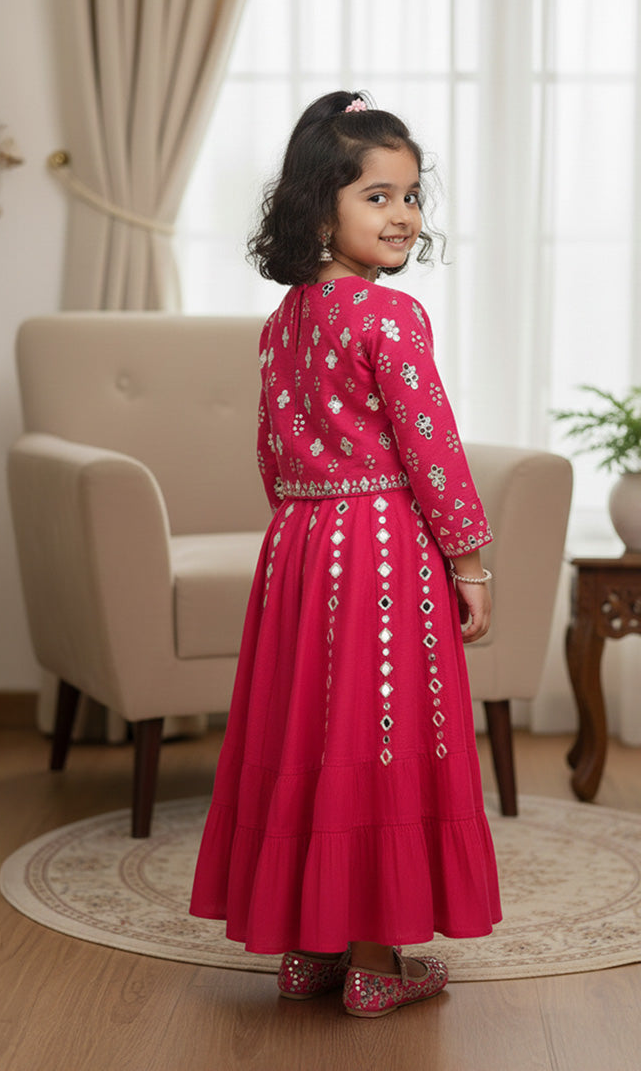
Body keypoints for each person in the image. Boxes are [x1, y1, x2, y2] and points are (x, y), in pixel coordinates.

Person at [189, 90, 501, 1019]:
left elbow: (269, 450)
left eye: (411, 196)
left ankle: (307, 950)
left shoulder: (286, 322)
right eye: (378, 196)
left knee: (315, 734)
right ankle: (375, 961)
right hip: (381, 547)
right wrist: (470, 562)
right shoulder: (389, 318)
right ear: (319, 207)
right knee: (384, 730)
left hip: (299, 544)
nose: (404, 214)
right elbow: (433, 451)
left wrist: (305, 527)